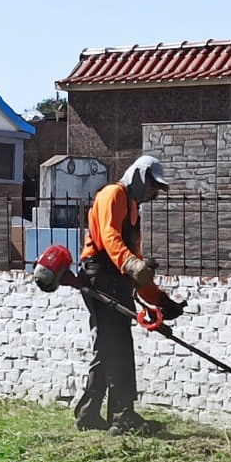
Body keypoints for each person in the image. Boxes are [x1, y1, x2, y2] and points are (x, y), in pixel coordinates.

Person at [72, 154, 185, 432]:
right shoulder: (113, 194)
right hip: (99, 273)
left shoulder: (133, 208)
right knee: (118, 344)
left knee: (109, 345)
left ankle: (89, 415)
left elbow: (135, 264)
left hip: (116, 276)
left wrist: (160, 300)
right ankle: (122, 417)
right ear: (139, 175)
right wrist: (131, 264)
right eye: (152, 185)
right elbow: (110, 238)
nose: (154, 192)